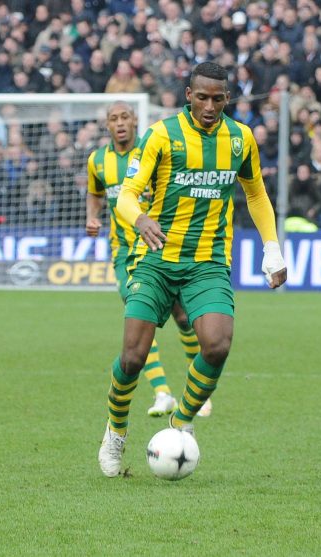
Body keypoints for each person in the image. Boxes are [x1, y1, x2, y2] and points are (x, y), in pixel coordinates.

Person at [98, 62, 287, 476]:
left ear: (227, 100)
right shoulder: (162, 135)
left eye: (218, 99)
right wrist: (140, 219)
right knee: (132, 358)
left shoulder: (240, 139)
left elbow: (255, 194)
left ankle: (180, 424)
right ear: (188, 95)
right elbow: (128, 194)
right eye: (202, 97)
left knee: (217, 345)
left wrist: (271, 246)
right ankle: (115, 430)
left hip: (208, 262)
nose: (209, 106)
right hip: (159, 259)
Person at [89, 101, 212, 477]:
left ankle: (193, 381)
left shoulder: (153, 149)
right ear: (107, 125)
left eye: (126, 117)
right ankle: (158, 393)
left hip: (165, 248)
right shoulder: (98, 161)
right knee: (135, 331)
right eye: (114, 118)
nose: (121, 123)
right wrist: (92, 217)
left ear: (135, 121)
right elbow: (96, 193)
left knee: (182, 316)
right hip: (127, 254)